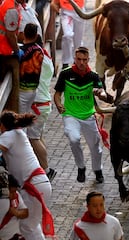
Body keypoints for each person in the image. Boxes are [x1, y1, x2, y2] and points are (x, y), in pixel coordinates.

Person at [54, 46, 107, 183]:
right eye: (79, 59)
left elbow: (102, 92)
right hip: (71, 115)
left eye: (84, 60)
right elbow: (57, 94)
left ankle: (97, 169)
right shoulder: (65, 74)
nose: (82, 62)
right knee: (74, 139)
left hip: (88, 116)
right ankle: (81, 167)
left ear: (88, 59)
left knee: (95, 147)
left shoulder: (93, 76)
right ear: (75, 59)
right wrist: (59, 104)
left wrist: (100, 93)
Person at [0, 111, 54, 240]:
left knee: (27, 226)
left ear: (2, 125)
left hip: (34, 185)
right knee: (31, 225)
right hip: (39, 184)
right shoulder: (19, 133)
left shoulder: (9, 136)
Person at [28, 38, 57, 182]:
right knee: (38, 136)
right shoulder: (47, 58)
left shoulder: (36, 59)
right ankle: (43, 165)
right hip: (44, 102)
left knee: (33, 138)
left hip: (38, 104)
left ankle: (46, 170)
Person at [0, 0, 23, 112]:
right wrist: (17, 50)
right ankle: (12, 112)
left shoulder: (7, 3)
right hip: (4, 52)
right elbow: (10, 34)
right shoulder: (11, 10)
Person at [50, 0, 85, 69]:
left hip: (79, 11)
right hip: (66, 12)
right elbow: (53, 4)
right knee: (67, 35)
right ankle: (65, 62)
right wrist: (58, 10)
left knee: (78, 39)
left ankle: (77, 61)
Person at [19, 23, 44, 114]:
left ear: (23, 34)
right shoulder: (40, 49)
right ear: (36, 35)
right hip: (34, 89)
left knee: (21, 118)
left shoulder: (21, 51)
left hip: (22, 89)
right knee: (26, 114)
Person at [0, 169, 29, 240]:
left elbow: (26, 212)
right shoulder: (2, 202)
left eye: (14, 192)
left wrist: (17, 213)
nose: (14, 195)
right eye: (11, 192)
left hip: (18, 236)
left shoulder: (16, 195)